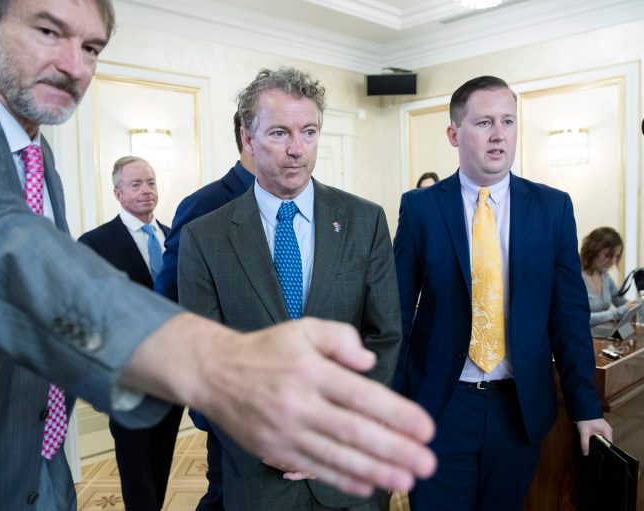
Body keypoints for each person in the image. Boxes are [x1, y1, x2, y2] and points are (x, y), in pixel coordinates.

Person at [0, 0, 437, 509]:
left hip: (40, 474)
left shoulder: (36, 156)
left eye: (92, 47)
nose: (75, 66)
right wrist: (212, 363)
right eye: (50, 32)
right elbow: (0, 255)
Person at [178, 67, 402, 511]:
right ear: (248, 137)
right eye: (280, 133)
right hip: (259, 480)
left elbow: (385, 337)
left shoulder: (365, 221)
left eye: (309, 132)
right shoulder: (205, 236)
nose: (297, 150)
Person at [392, 75, 612, 511]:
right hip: (440, 405)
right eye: (484, 122)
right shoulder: (421, 209)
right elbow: (395, 313)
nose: (499, 135)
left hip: (519, 408)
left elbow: (569, 317)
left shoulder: (552, 208)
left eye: (508, 121)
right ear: (454, 133)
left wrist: (586, 408)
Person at [155, 111, 256, 511]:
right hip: (228, 396)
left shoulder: (308, 203)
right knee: (226, 498)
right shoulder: (205, 205)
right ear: (249, 138)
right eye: (280, 131)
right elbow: (170, 300)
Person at [78, 156, 181, 511]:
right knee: (135, 468)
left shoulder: (174, 239)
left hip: (171, 378)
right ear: (118, 193)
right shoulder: (94, 243)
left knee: (161, 460)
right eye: (136, 184)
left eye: (151, 182)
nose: (146, 191)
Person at [579, 227, 639, 326]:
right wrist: (616, 313)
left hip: (601, 336)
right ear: (592, 251)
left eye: (616, 256)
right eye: (607, 256)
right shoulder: (575, 276)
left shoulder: (604, 275)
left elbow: (620, 302)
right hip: (581, 337)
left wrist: (636, 306)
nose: (612, 262)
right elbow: (579, 317)